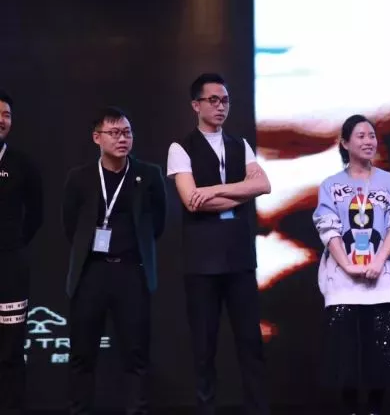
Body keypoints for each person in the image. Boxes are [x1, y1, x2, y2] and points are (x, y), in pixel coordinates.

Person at [166, 73, 272, 415]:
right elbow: (190, 201)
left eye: (225, 100)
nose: (220, 106)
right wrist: (240, 192)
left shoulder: (241, 144)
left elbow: (263, 186)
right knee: (204, 347)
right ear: (196, 105)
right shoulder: (180, 148)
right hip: (202, 259)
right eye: (213, 100)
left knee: (250, 343)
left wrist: (212, 190)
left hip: (239, 255)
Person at [62, 106, 167, 415]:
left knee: (136, 353)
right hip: (91, 272)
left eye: (127, 133)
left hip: (131, 271)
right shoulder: (79, 177)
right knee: (82, 354)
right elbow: (70, 225)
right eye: (115, 133)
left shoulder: (149, 175)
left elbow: (158, 223)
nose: (123, 139)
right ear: (97, 138)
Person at [312, 114, 390, 415]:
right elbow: (327, 227)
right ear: (344, 143)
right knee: (345, 351)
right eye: (361, 136)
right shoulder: (330, 185)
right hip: (342, 280)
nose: (369, 141)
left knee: (379, 350)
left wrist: (378, 261)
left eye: (372, 135)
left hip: (381, 277)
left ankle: (375, 409)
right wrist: (347, 265)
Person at [0, 89, 43, 414]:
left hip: (10, 267)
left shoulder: (22, 163)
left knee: (10, 347)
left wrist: (12, 244)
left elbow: (36, 214)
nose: (2, 121)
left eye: (6, 115)